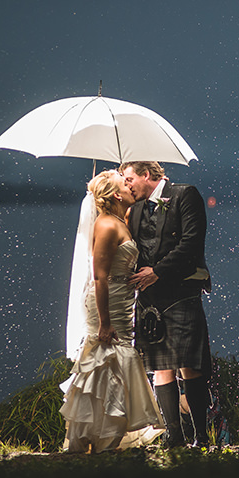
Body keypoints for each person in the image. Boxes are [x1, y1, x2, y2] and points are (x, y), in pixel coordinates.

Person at [59, 170, 164, 453]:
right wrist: (104, 321)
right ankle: (95, 436)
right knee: (104, 359)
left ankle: (108, 434)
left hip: (123, 300)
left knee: (116, 361)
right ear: (116, 194)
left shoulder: (122, 220)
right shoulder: (106, 225)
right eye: (124, 183)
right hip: (107, 302)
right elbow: (99, 277)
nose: (130, 185)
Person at [120, 160, 213, 448]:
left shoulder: (185, 195)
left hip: (181, 291)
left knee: (189, 366)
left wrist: (157, 271)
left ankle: (200, 437)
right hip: (149, 298)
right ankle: (174, 437)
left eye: (129, 178)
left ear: (147, 174)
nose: (127, 185)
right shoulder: (133, 210)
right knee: (161, 368)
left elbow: (192, 243)